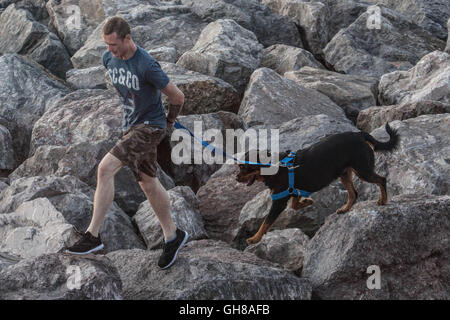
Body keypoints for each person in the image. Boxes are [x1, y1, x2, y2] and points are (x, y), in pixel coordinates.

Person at [65, 16, 188, 270]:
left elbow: (178, 97)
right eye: (107, 45)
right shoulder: (108, 59)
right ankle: (173, 237)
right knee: (149, 183)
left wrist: (169, 123)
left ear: (128, 38)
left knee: (105, 168)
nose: (110, 50)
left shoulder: (147, 65)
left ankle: (93, 237)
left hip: (150, 127)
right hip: (131, 127)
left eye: (114, 45)